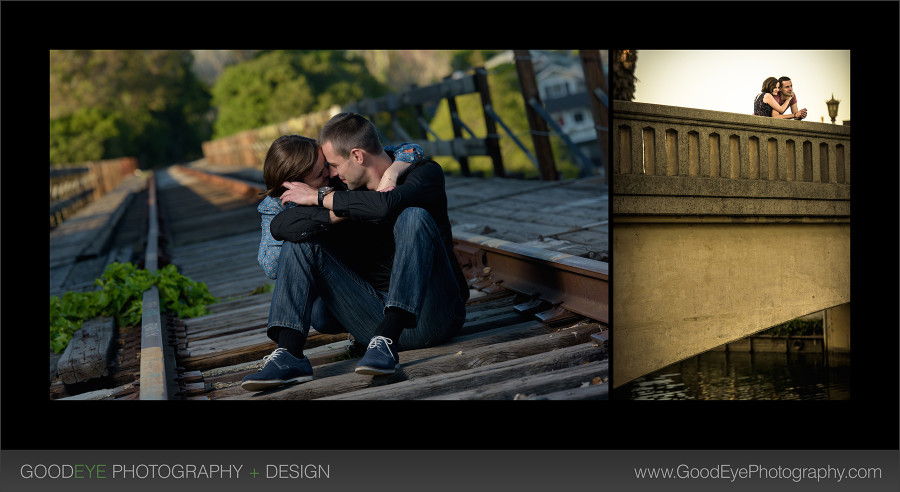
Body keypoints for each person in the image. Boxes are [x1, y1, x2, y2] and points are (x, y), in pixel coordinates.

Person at [241, 113, 468, 391]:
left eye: (334, 165)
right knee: (300, 243)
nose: (332, 174)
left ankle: (387, 339)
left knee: (414, 217)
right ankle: (289, 355)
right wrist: (338, 212)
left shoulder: (423, 173)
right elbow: (281, 224)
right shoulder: (343, 189)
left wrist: (322, 199)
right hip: (372, 319)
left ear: (357, 156)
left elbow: (386, 203)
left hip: (435, 316)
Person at [254, 135, 425, 340]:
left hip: (368, 272)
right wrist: (318, 213)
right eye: (320, 174)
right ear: (296, 184)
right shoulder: (275, 205)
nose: (329, 173)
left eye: (326, 164)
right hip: (339, 279)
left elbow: (410, 149)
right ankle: (288, 346)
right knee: (319, 312)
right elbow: (272, 266)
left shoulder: (336, 178)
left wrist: (391, 173)